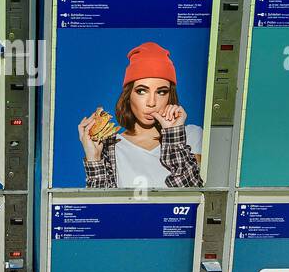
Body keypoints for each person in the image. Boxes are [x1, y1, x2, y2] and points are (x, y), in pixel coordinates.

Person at [77, 42, 204, 189]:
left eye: (161, 92)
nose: (151, 102)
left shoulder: (192, 135)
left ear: (170, 95)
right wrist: (94, 158)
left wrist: (173, 135)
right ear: (128, 95)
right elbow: (100, 206)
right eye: (142, 91)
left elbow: (191, 193)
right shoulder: (111, 146)